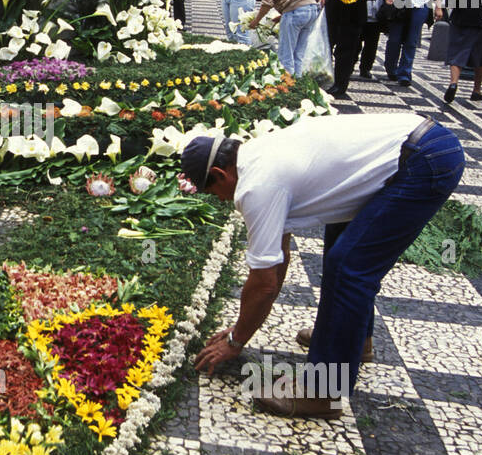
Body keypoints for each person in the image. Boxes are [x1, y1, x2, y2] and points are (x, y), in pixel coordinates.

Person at [185, 114, 465, 417]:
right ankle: (355, 342)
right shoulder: (258, 155)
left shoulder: (257, 185)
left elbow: (264, 283)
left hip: (424, 161)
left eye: (213, 193)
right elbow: (277, 260)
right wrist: (242, 328)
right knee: (342, 244)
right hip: (418, 146)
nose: (222, 200)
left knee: (348, 267)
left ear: (219, 174)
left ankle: (323, 393)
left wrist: (236, 339)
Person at [251, 0, 319, 76]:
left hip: (295, 11)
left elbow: (267, 2)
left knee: (285, 55)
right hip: (312, 9)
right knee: (298, 55)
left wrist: (256, 21)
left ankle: (286, 84)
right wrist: (282, 16)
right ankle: (298, 83)